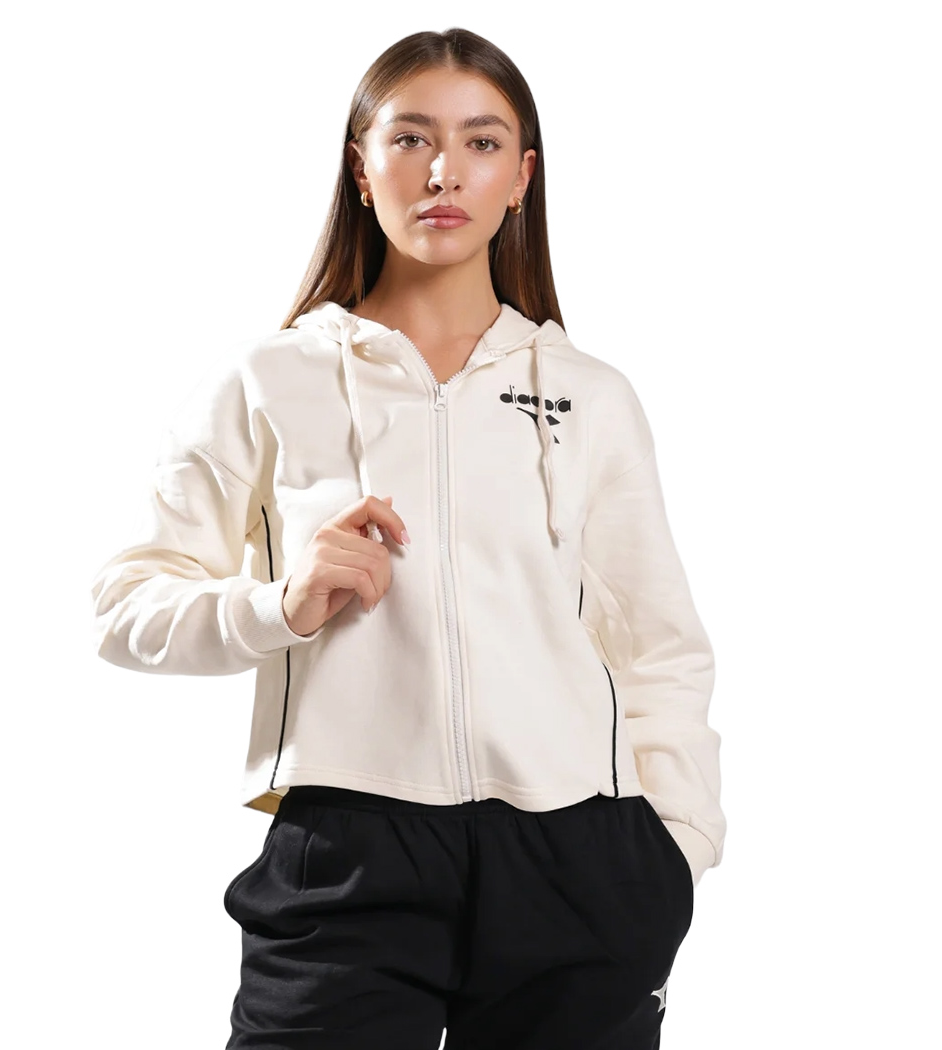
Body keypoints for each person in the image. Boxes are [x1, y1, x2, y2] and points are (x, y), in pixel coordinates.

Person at [89, 25, 726, 1050]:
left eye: (481, 143)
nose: (443, 172)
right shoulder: (268, 380)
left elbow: (659, 645)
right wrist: (281, 604)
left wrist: (676, 847)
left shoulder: (588, 395)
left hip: (582, 857)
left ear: (521, 179)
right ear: (361, 166)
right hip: (351, 851)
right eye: (411, 138)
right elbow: (126, 605)